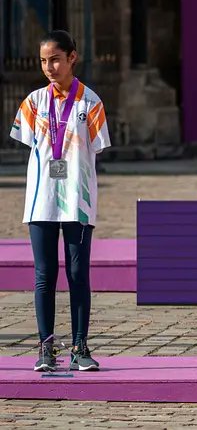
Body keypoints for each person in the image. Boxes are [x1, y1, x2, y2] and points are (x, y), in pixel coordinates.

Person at [9, 30, 111, 372]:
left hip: (77, 202)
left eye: (55, 59)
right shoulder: (33, 103)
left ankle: (80, 347)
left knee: (78, 272)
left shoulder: (91, 103)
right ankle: (45, 347)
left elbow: (95, 147)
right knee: (44, 274)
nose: (49, 66)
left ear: (72, 58)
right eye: (43, 60)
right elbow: (28, 142)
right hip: (40, 201)